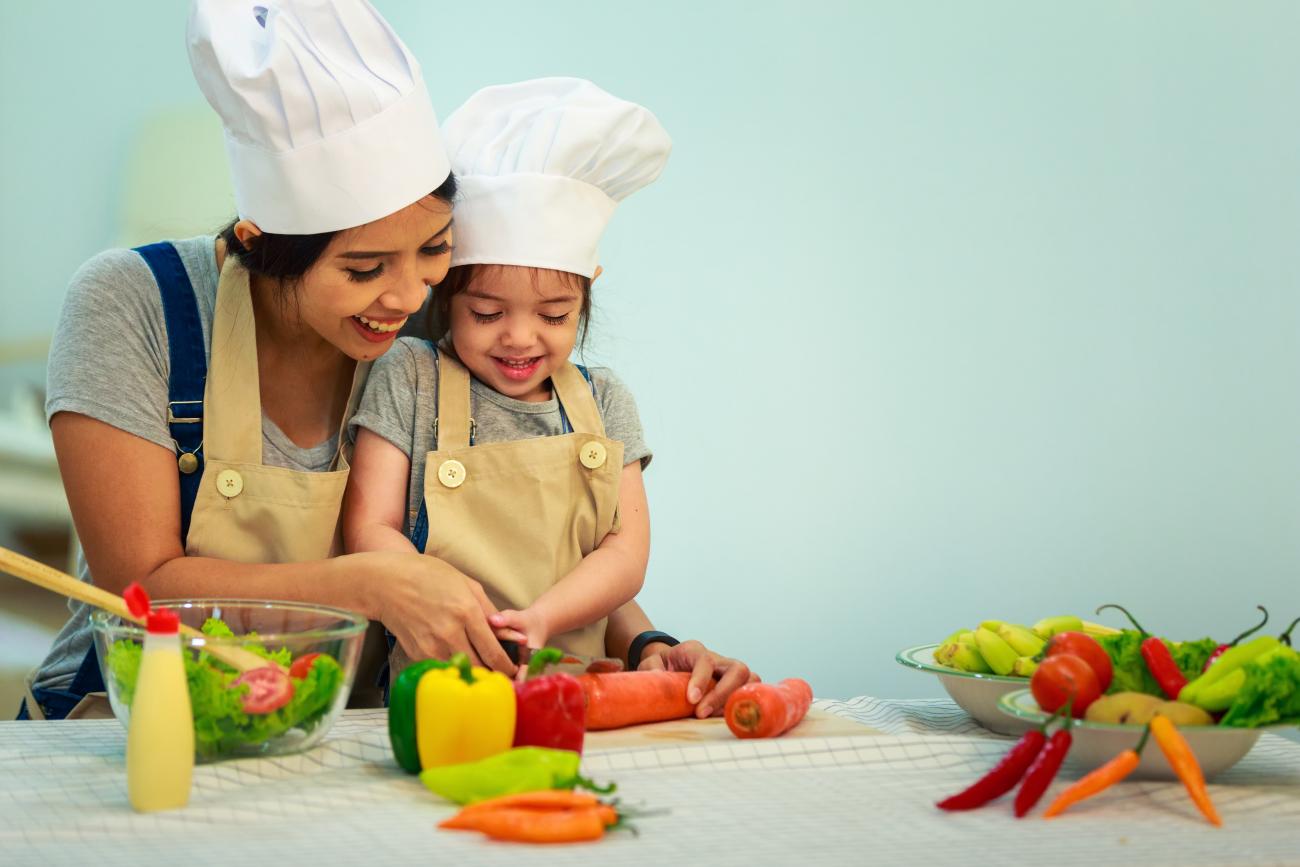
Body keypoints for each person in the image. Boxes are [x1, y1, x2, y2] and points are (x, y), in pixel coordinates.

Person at [23, 1, 751, 721]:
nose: (406, 296)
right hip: (137, 722)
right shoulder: (134, 306)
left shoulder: (451, 335)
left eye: (434, 249)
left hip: (342, 735)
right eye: (365, 267)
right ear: (259, 240)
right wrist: (367, 584)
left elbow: (532, 537)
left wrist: (647, 643)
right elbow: (142, 586)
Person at [345, 79, 665, 669]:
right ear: (445, 299)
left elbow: (626, 554)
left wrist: (543, 618)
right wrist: (456, 605)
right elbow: (369, 530)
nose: (519, 337)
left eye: (554, 314)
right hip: (441, 682)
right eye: (487, 313)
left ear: (586, 295)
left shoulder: (605, 402)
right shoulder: (409, 377)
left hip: (576, 687)